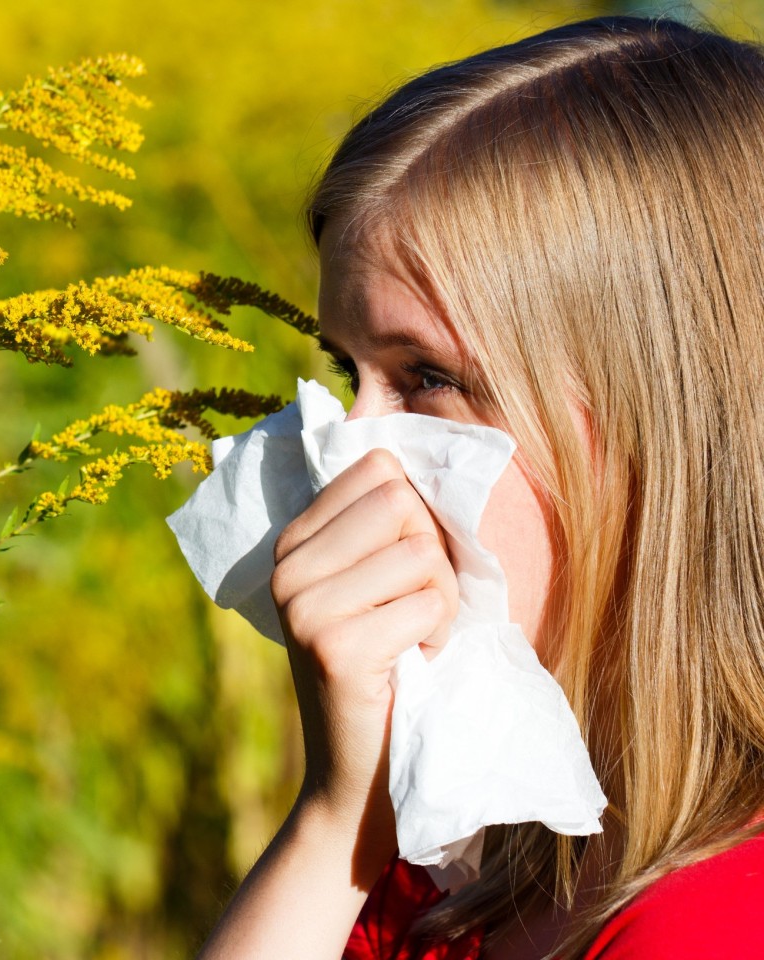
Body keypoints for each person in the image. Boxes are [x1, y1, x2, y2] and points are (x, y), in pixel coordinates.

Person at [198, 14, 764, 960]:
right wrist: (342, 815)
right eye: (349, 376)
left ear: (658, 425)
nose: (353, 452)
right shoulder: (458, 863)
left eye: (427, 377)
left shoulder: (719, 920)